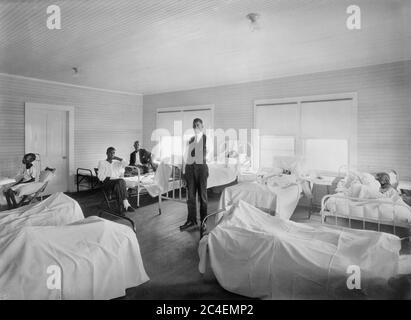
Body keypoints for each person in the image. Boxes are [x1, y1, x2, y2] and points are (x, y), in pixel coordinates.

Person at [180, 118, 209, 231]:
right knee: (191, 197)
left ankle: (203, 222)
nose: (196, 127)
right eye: (194, 125)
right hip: (190, 170)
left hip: (201, 169)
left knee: (203, 197)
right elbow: (186, 156)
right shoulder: (190, 140)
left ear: (202, 126)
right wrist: (184, 173)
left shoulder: (206, 138)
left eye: (198, 125)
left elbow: (205, 153)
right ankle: (191, 220)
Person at [97, 147, 135, 214]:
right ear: (106, 153)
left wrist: (117, 158)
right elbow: (100, 176)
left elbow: (126, 164)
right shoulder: (102, 162)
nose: (112, 154)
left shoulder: (117, 163)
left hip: (117, 182)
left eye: (113, 153)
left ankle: (120, 208)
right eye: (110, 153)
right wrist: (108, 178)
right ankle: (126, 204)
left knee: (119, 183)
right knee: (121, 181)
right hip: (107, 182)